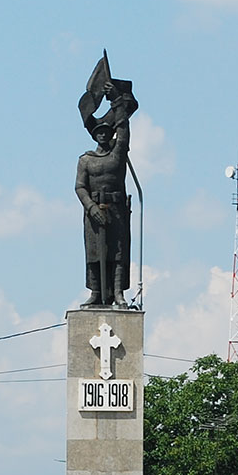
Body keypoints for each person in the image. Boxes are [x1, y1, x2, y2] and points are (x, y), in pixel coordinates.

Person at [75, 80, 131, 307]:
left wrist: (116, 99)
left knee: (118, 253)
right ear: (94, 135)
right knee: (95, 252)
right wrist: (90, 207)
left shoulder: (118, 153)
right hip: (94, 213)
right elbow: (80, 186)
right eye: (98, 132)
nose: (102, 135)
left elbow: (124, 128)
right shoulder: (85, 159)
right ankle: (96, 292)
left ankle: (118, 293)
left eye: (106, 132)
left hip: (117, 210)